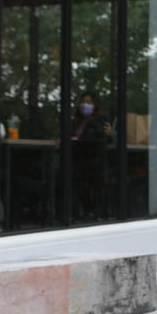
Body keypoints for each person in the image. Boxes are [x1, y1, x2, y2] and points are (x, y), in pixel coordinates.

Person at [71, 92, 112, 220]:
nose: (85, 105)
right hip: (77, 161)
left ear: (95, 105)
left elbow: (103, 138)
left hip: (93, 164)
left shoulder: (100, 121)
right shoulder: (77, 122)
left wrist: (110, 134)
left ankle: (94, 213)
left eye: (89, 102)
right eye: (83, 102)